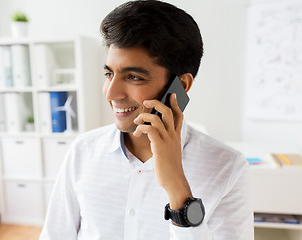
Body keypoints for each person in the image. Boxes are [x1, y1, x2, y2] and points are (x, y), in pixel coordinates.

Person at [40, 0, 254, 239]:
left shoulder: (228, 167)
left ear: (180, 86)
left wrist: (177, 189)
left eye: (133, 77)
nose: (111, 93)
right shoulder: (83, 150)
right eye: (109, 74)